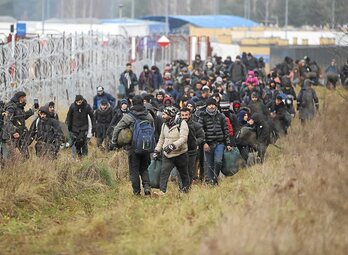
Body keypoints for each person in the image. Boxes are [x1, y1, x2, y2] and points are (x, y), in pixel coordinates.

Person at [111, 95, 154, 196]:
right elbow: (152, 128)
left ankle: (136, 192)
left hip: (133, 147)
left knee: (134, 170)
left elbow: (117, 128)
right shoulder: (148, 115)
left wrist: (114, 142)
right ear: (143, 103)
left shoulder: (129, 116)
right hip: (146, 146)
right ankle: (147, 187)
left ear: (132, 103)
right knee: (144, 168)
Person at [153, 106, 190, 195]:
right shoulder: (164, 125)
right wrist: (157, 150)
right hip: (168, 155)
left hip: (181, 154)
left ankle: (185, 191)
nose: (163, 116)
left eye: (165, 114)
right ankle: (162, 192)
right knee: (164, 173)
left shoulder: (182, 123)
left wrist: (173, 146)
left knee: (183, 174)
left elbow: (184, 138)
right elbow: (161, 139)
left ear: (171, 115)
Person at [199, 98, 232, 185]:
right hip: (208, 144)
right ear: (207, 106)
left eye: (213, 104)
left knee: (218, 161)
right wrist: (204, 143)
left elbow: (225, 130)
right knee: (208, 164)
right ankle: (211, 182)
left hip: (219, 143)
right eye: (210, 104)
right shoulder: (203, 116)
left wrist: (228, 143)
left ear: (216, 105)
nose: (212, 106)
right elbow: (200, 131)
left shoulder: (221, 116)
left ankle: (215, 177)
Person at [4, 91, 34, 158]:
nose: (25, 99)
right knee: (10, 157)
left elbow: (22, 117)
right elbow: (7, 120)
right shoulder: (11, 107)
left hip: (20, 135)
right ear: (20, 98)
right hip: (11, 136)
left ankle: (24, 167)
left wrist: (32, 111)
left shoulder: (19, 107)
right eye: (24, 97)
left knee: (26, 156)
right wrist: (13, 132)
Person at [180, 107, 205, 185]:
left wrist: (195, 143)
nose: (184, 117)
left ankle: (188, 187)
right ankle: (181, 187)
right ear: (180, 116)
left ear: (190, 115)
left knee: (190, 171)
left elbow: (202, 137)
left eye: (186, 115)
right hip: (180, 151)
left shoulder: (196, 125)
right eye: (183, 115)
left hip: (192, 151)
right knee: (181, 170)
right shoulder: (177, 125)